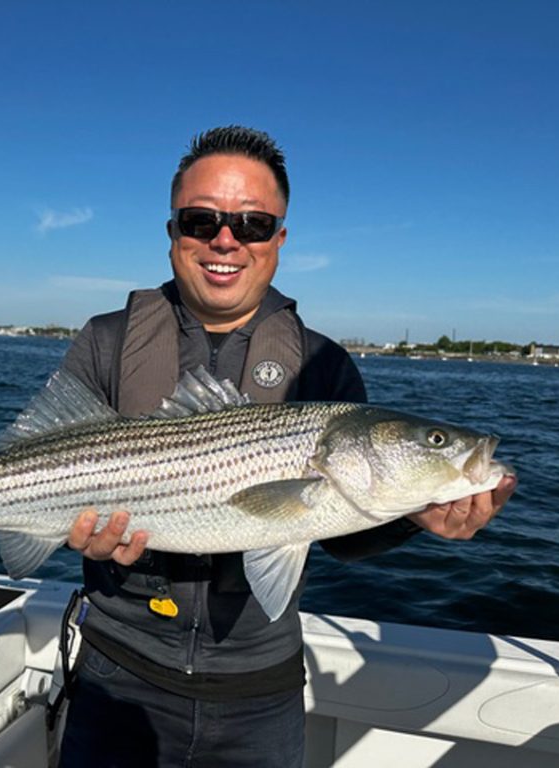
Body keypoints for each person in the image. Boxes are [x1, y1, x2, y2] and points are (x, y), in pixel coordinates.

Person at [54, 125, 516, 768]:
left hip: (258, 693)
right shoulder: (106, 340)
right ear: (172, 233)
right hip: (115, 674)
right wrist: (69, 525)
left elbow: (341, 534)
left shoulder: (324, 367)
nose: (225, 239)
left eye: (252, 224)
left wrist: (416, 517)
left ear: (279, 239)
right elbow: (45, 455)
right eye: (201, 219)